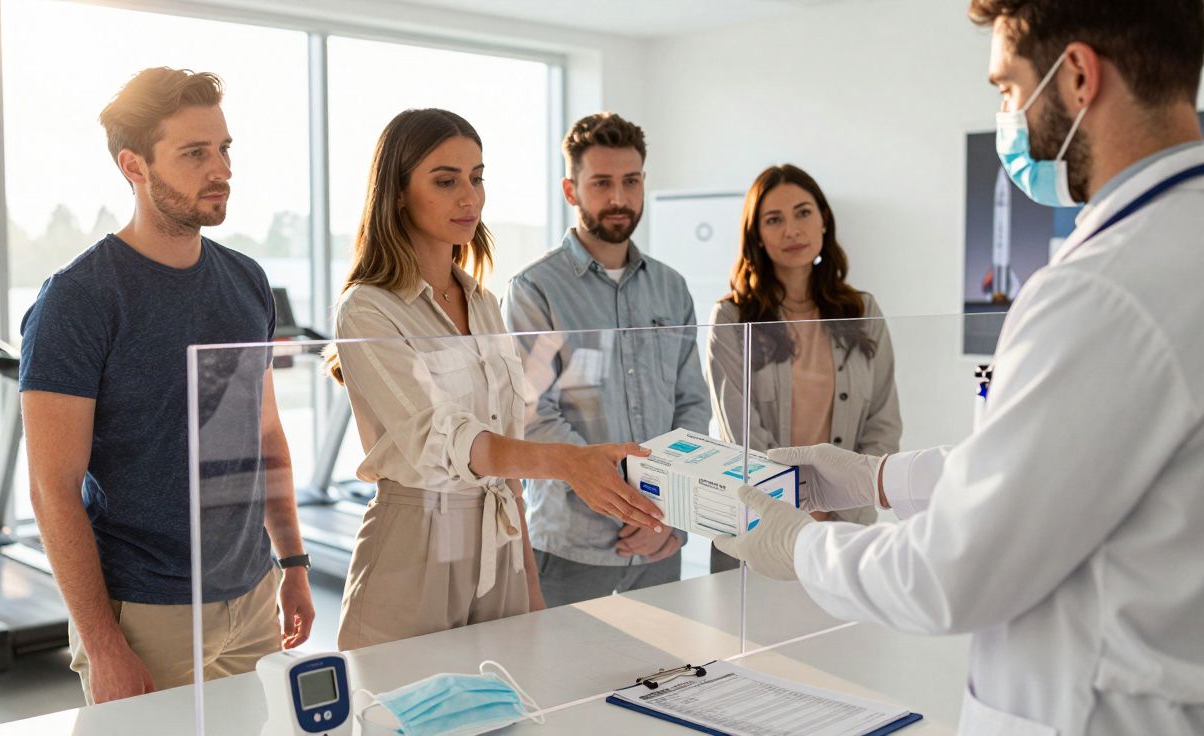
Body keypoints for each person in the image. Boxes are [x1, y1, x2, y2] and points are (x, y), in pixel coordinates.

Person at [714, 1, 1204, 733]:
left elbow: (956, 570)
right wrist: (873, 477)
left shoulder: (1103, 288)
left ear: (1076, 76)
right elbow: (1055, 468)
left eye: (1007, 87)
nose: (1008, 113)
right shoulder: (1172, 244)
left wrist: (801, 544)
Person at [20, 68, 314, 705]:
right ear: (134, 165)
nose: (220, 169)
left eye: (224, 149)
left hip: (253, 595)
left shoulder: (246, 282)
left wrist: (291, 563)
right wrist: (102, 643)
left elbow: (264, 436)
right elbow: (53, 489)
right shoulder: (79, 299)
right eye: (194, 153)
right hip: (147, 613)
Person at [324, 108, 665, 649]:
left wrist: (531, 593)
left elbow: (507, 465)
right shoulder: (367, 310)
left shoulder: (482, 302)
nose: (470, 198)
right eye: (445, 181)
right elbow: (440, 437)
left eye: (476, 178)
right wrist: (571, 463)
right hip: (414, 549)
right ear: (396, 193)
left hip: (502, 547)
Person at [503, 113, 712, 606]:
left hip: (662, 542)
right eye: (601, 183)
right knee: (560, 681)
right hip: (570, 546)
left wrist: (670, 511)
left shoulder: (671, 287)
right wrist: (634, 504)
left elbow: (692, 404)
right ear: (571, 190)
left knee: (664, 679)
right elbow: (534, 415)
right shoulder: (535, 290)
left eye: (630, 181)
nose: (619, 198)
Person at [706, 164, 900, 573]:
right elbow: (739, 438)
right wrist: (791, 518)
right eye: (774, 220)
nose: (791, 230)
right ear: (756, 234)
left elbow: (883, 426)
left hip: (842, 534)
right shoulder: (732, 318)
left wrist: (834, 515)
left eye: (803, 212)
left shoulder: (863, 312)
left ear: (824, 221)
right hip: (757, 529)